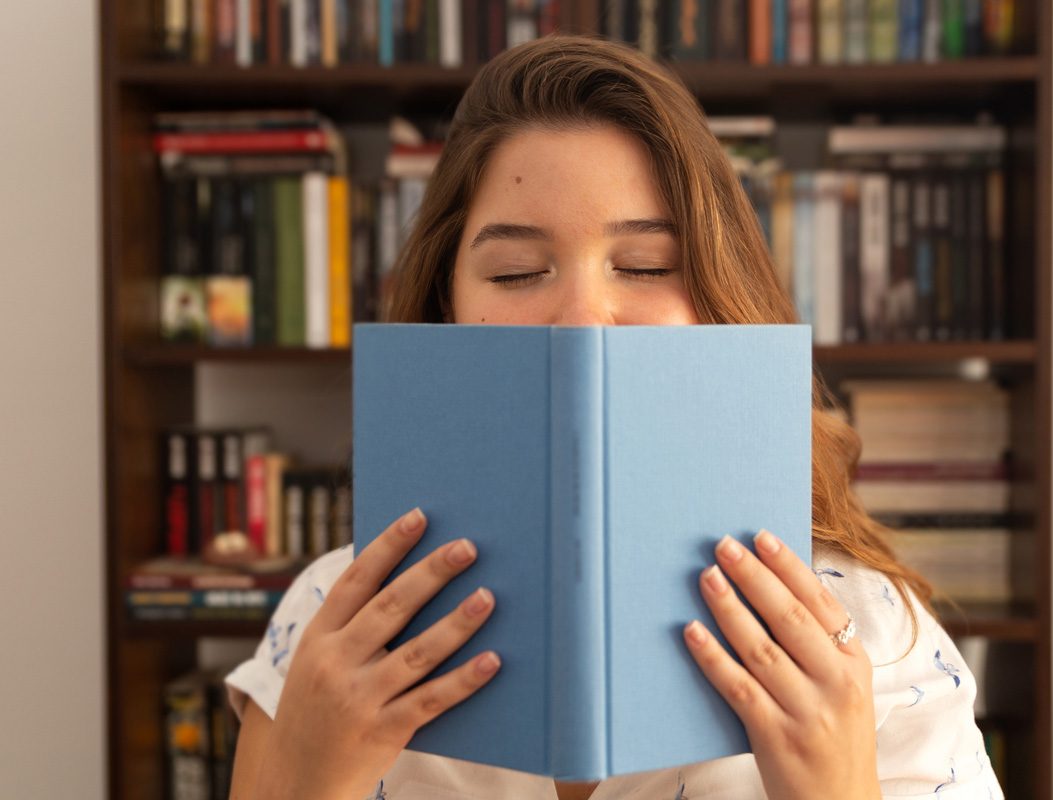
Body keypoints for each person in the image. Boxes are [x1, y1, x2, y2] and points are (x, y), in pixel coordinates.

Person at [225, 34, 1003, 800]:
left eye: (645, 267)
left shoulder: (869, 638)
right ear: (447, 306)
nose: (582, 320)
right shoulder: (335, 622)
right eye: (517, 271)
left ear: (716, 300)